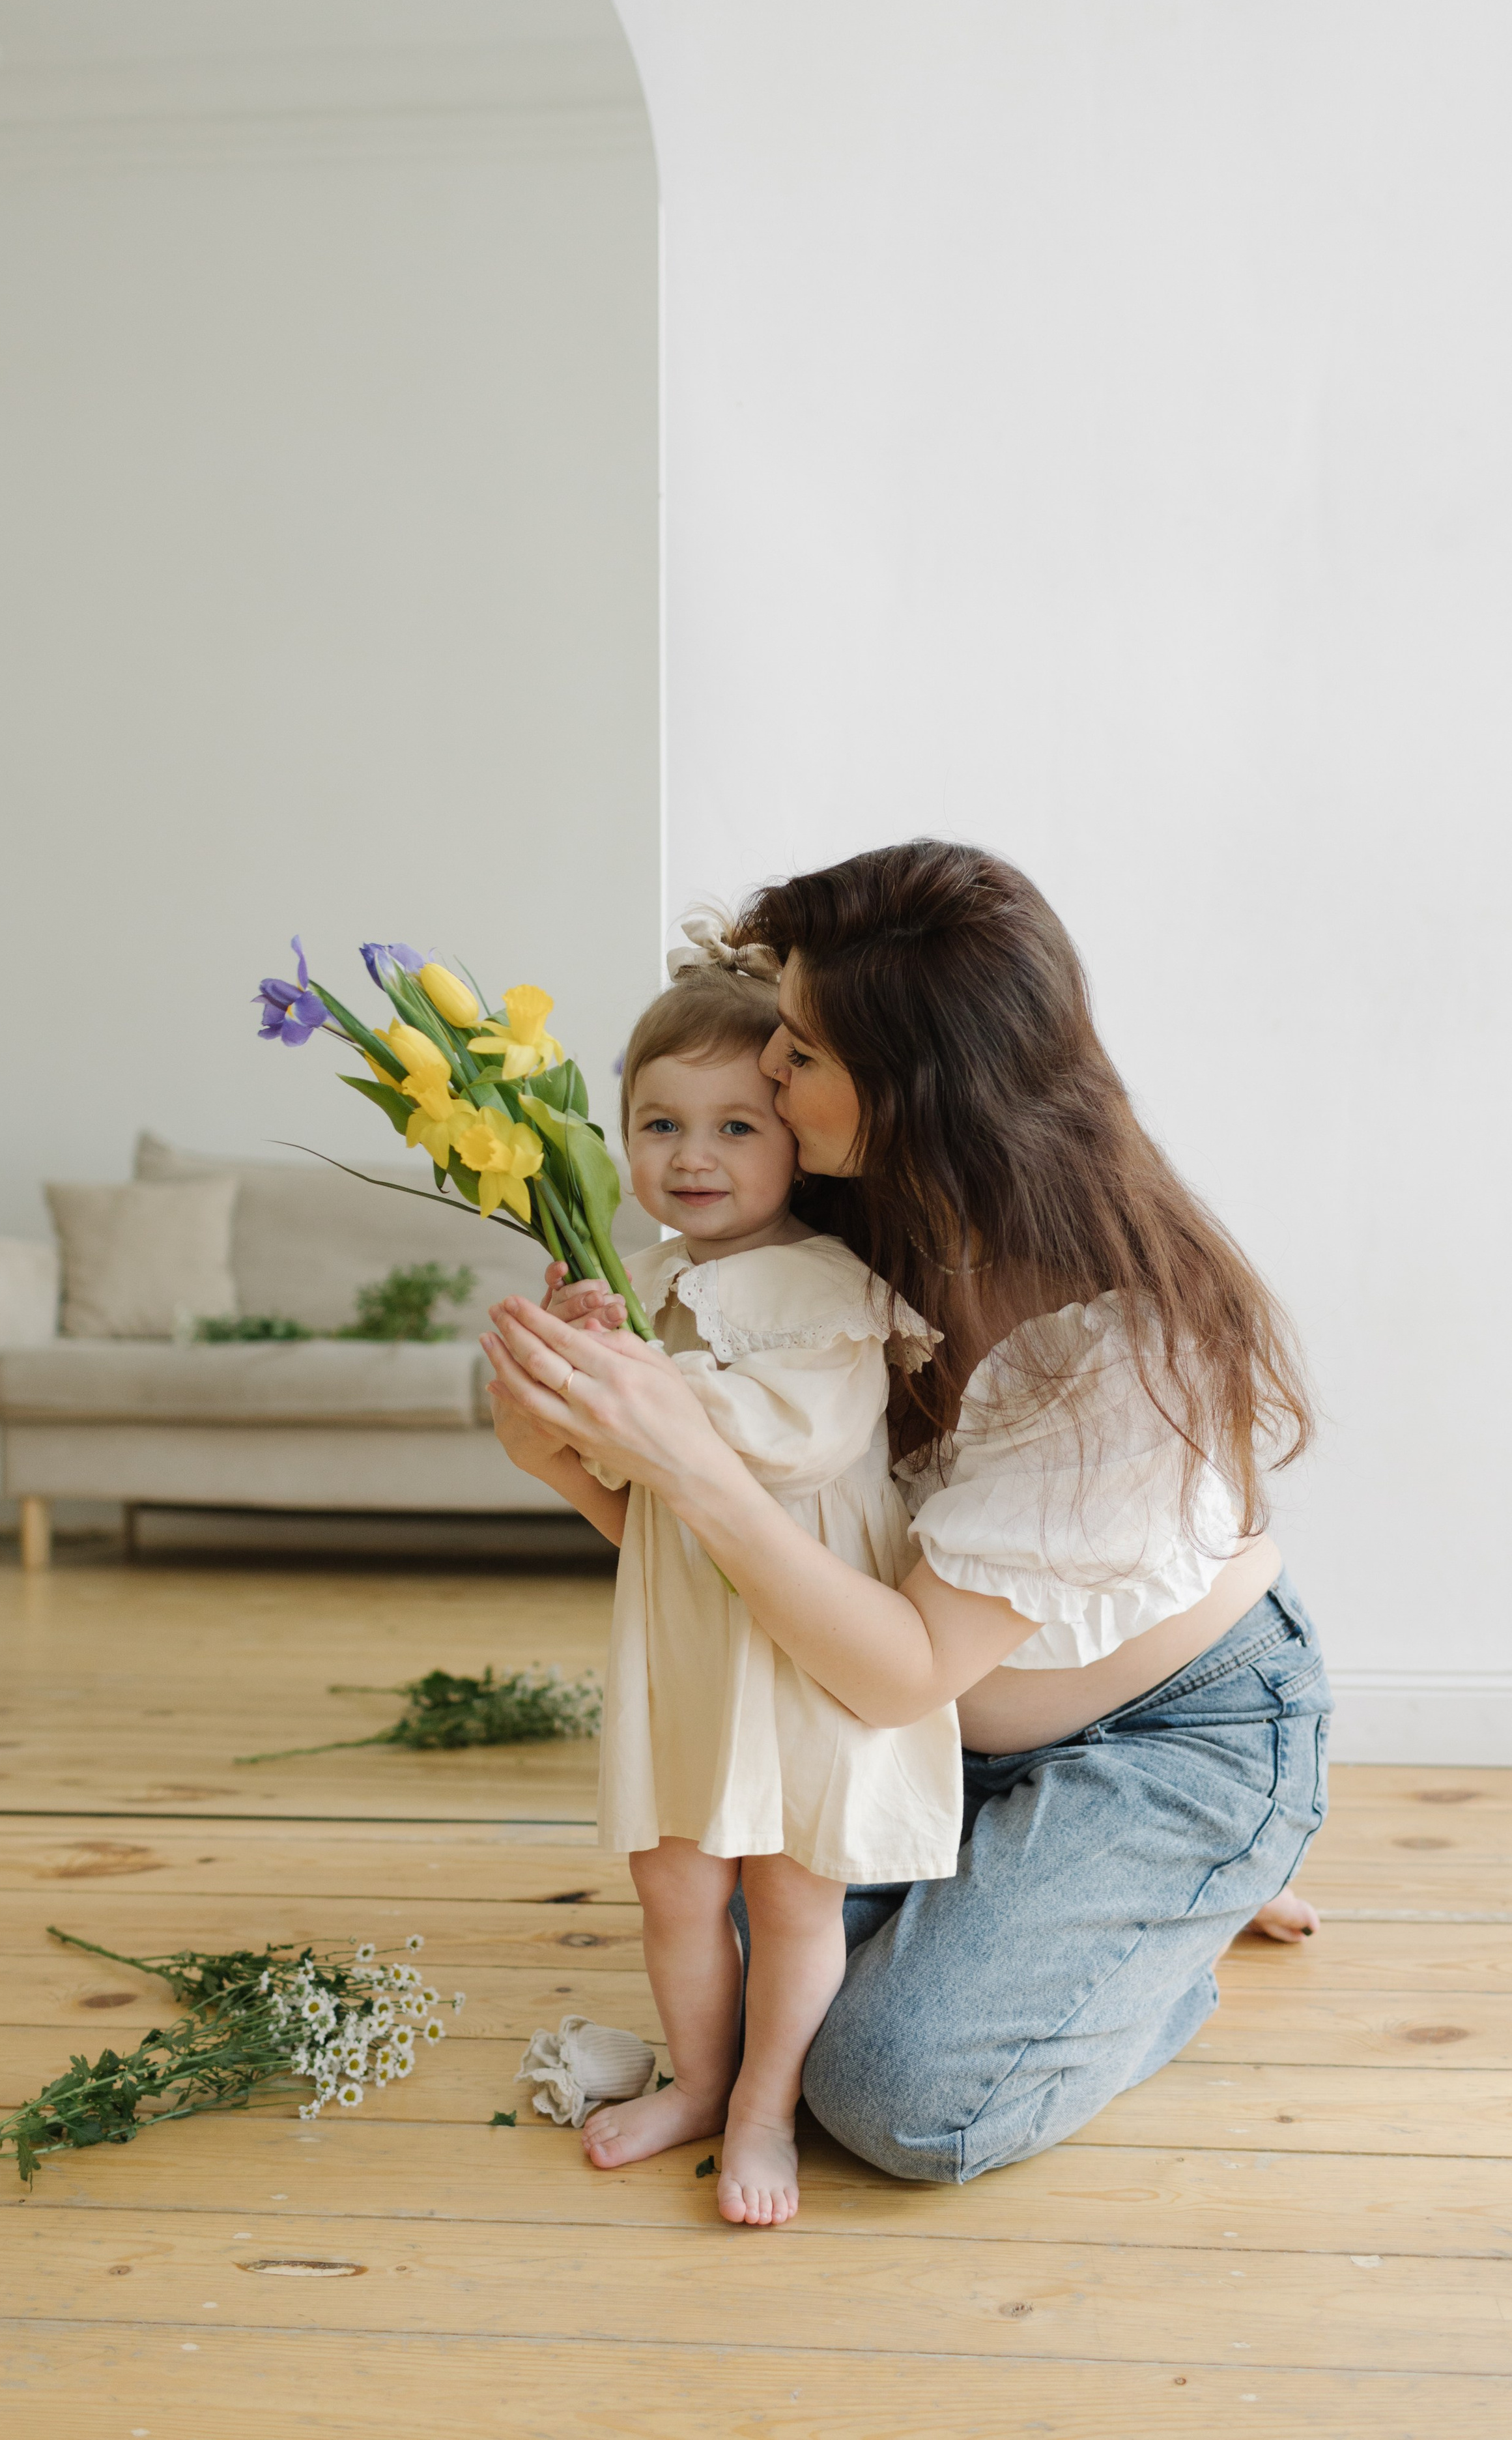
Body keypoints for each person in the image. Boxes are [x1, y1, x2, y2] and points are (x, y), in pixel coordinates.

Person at [481, 840, 1332, 2186]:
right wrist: (570, 1458)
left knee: (889, 2095)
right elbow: (766, 1577)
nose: (766, 1071)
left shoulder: (1120, 1351)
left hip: (1158, 1733)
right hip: (907, 1728)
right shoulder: (833, 1224)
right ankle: (1077, 1909)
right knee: (731, 1932)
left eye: (800, 1054)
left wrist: (685, 1455)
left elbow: (898, 1670)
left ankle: (1185, 1901)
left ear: (911, 1085)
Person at [563, 944, 961, 2228]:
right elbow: (636, 1483)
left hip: (801, 1637)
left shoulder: (826, 1289)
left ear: (794, 1141)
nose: (694, 1154)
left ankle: (761, 2106)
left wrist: (641, 1394)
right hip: (688, 1631)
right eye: (659, 1123)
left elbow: (792, 1439)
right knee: (673, 1876)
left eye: (736, 1124)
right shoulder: (655, 1286)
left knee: (792, 1885)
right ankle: (696, 2077)